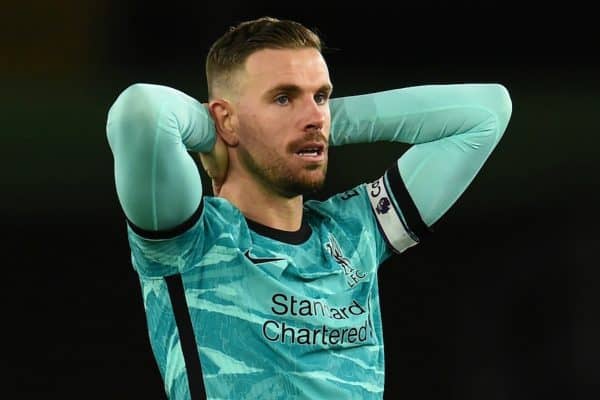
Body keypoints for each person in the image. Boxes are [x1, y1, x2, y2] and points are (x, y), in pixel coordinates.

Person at [106, 16, 512, 400]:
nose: (314, 115)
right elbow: (141, 111)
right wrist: (216, 136)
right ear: (225, 120)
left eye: (321, 96)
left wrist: (314, 125)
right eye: (283, 98)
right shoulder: (192, 242)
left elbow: (487, 112)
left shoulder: (356, 232)